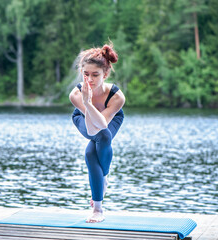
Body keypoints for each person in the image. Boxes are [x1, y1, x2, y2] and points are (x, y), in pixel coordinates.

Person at [69, 42, 125, 223]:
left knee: (92, 150)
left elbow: (101, 124)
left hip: (111, 119)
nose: (90, 80)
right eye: (86, 75)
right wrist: (86, 103)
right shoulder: (76, 95)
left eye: (95, 75)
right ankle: (103, 181)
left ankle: (98, 208)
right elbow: (92, 128)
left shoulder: (117, 97)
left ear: (105, 74)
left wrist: (89, 103)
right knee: (101, 137)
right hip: (82, 117)